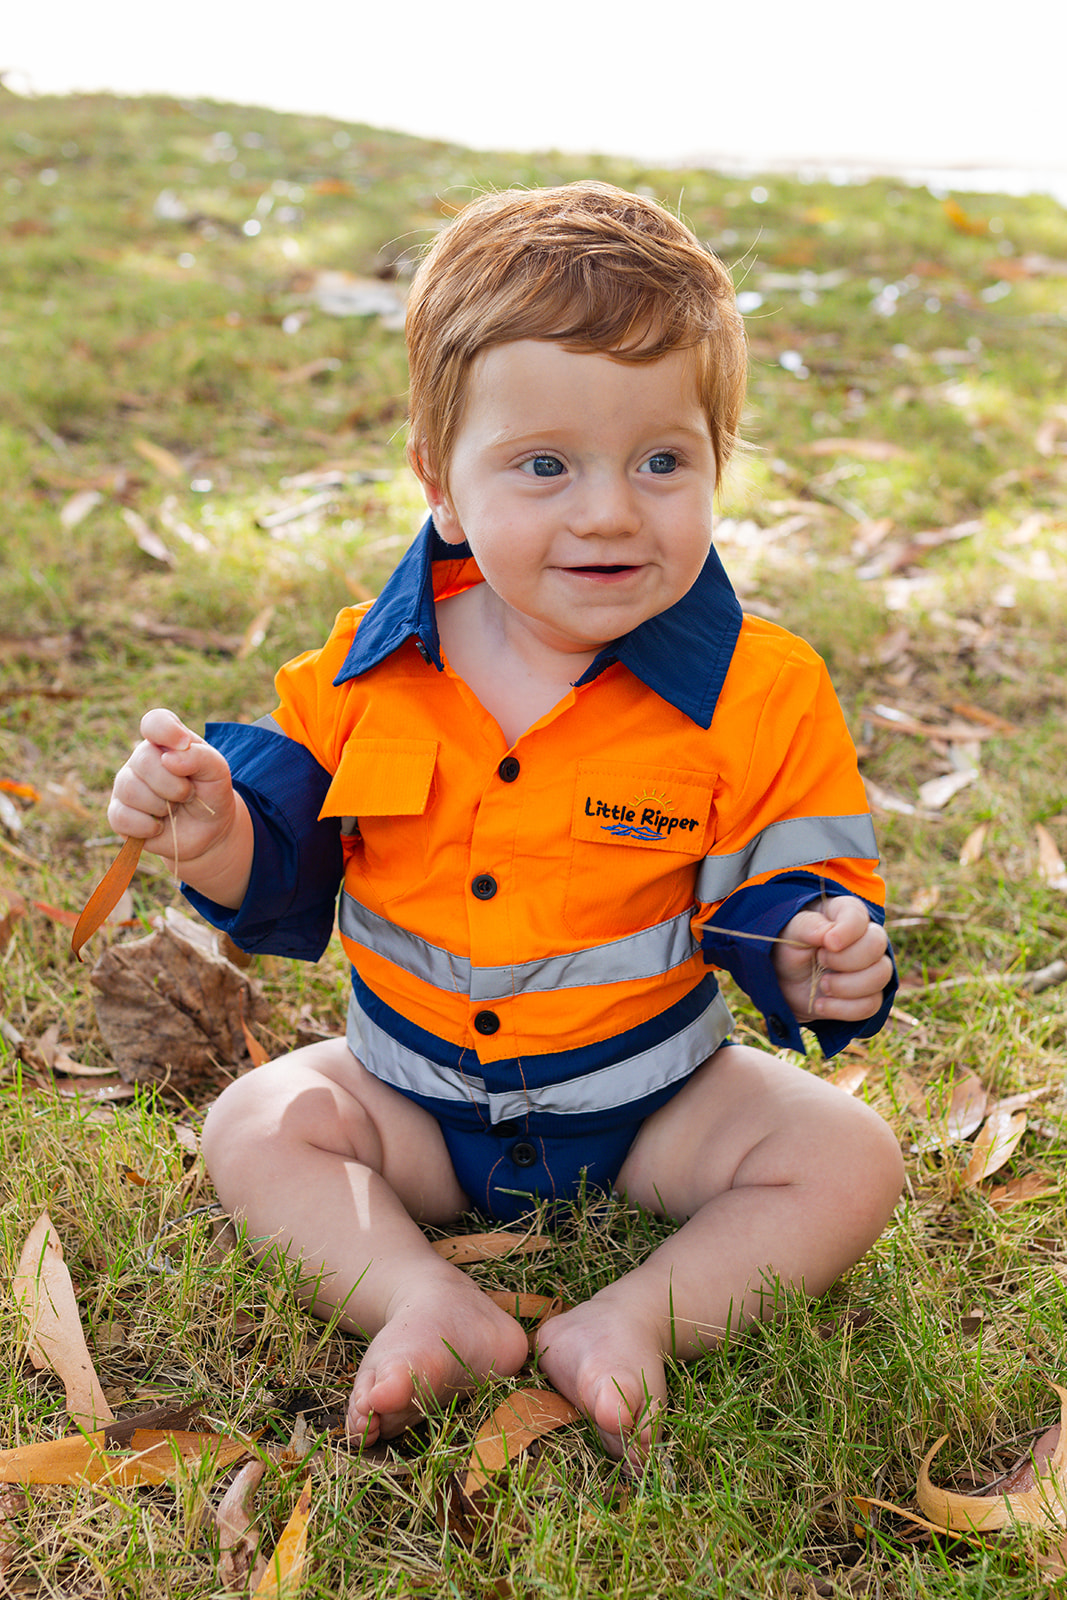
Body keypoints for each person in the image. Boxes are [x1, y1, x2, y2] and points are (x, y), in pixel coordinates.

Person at [108, 182, 904, 1462]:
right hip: (407, 1100)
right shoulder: (365, 677)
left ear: (717, 463)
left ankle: (635, 1315)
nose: (607, 509)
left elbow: (795, 883)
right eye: (544, 465)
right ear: (442, 483)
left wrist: (817, 946)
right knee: (256, 1125)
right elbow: (285, 867)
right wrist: (207, 831)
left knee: (848, 1159)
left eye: (662, 461)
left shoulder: (761, 687)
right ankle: (419, 1298)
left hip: (657, 1106)